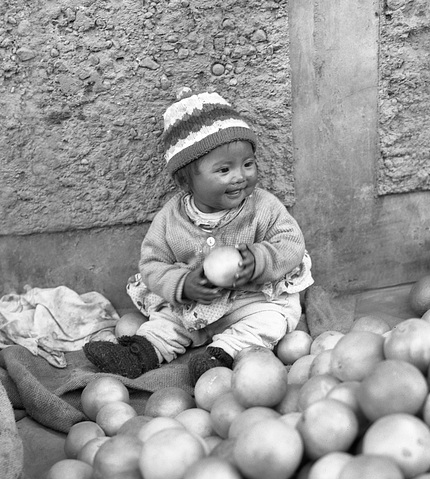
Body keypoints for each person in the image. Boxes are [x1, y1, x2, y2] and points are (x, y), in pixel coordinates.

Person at [84, 90, 313, 384]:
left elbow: (291, 243)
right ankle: (139, 354)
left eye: (248, 164)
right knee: (165, 322)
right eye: (224, 169)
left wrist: (259, 260)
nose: (240, 176)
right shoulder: (170, 219)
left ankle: (222, 354)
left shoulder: (264, 206)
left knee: (271, 320)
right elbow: (152, 264)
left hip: (251, 300)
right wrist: (182, 285)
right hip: (191, 307)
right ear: (184, 180)